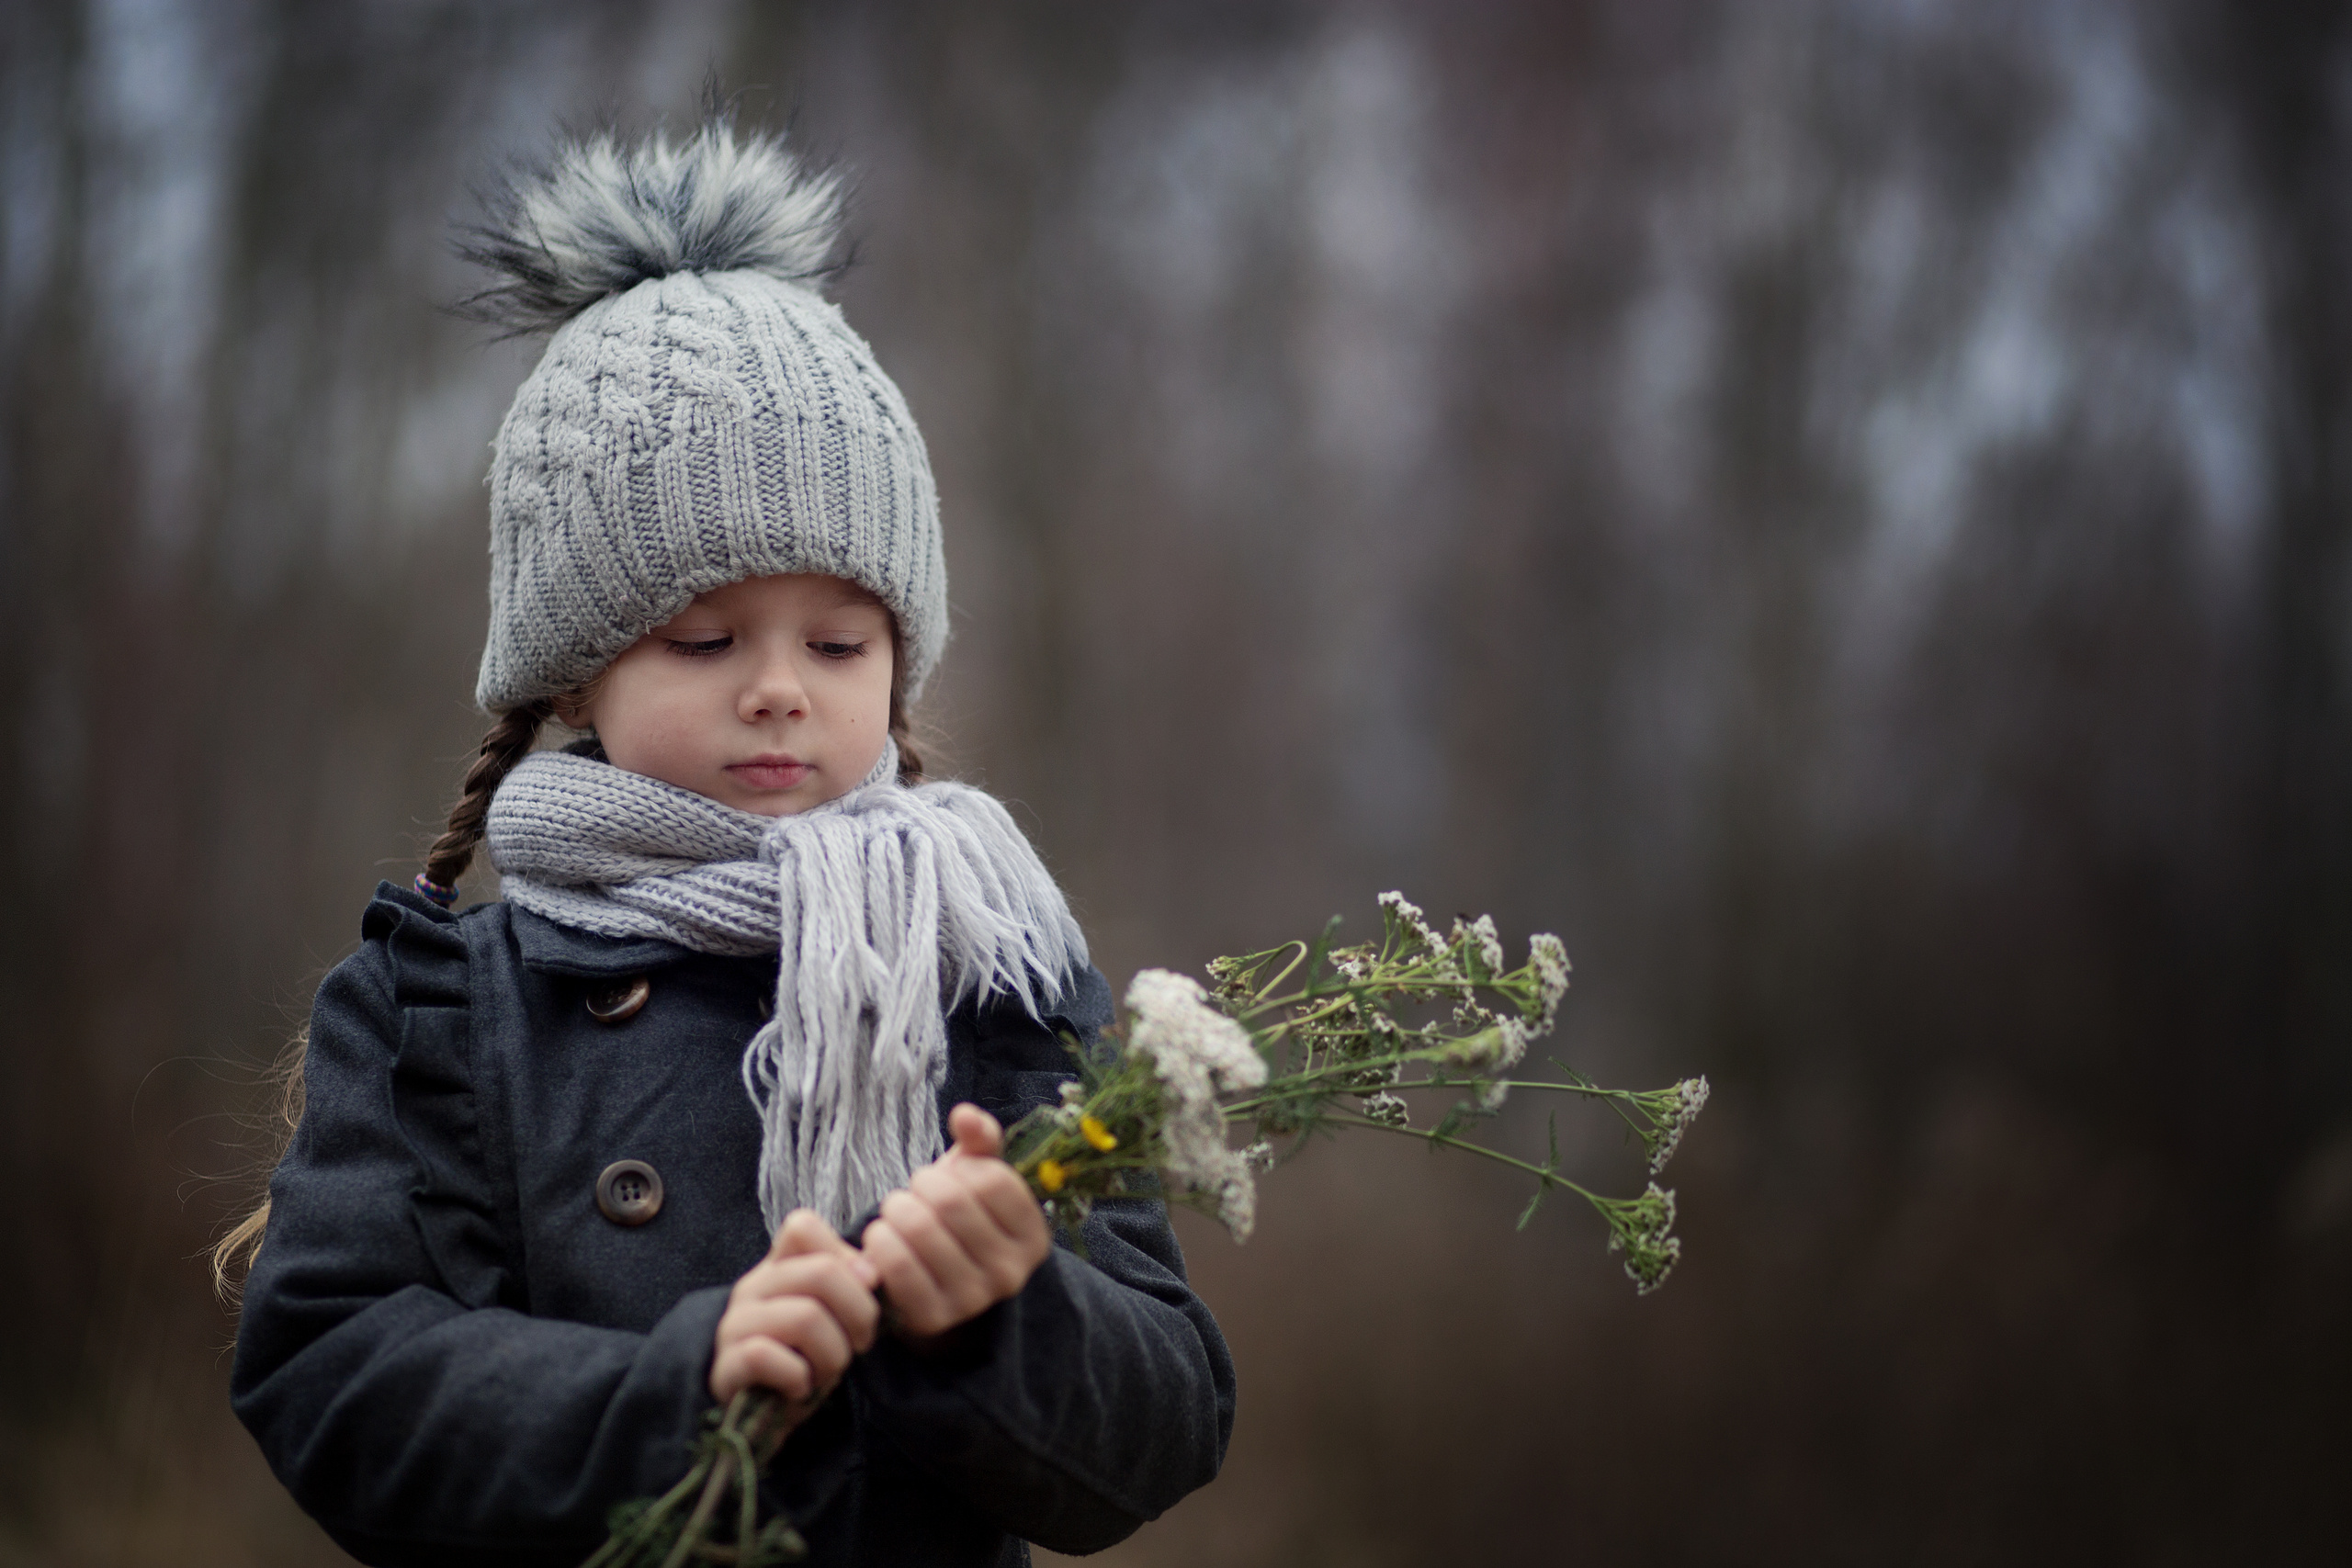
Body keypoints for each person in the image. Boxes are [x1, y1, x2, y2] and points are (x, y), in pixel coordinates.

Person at [218, 113, 1234, 1568]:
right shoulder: (440, 1001)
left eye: (837, 637)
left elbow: (1172, 1419)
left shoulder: (987, 958)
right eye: (703, 637)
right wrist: (672, 1391)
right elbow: (330, 1373)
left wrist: (1008, 1313)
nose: (778, 686)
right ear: (573, 671)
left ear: (901, 654)